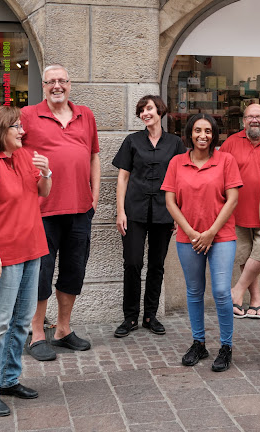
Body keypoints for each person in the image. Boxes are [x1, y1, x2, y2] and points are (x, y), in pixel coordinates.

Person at [0, 106, 51, 416]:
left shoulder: (24, 156)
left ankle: (8, 379)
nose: (21, 131)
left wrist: (46, 172)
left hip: (32, 250)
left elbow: (43, 192)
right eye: (15, 126)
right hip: (2, 256)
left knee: (20, 322)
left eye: (20, 126)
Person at [21, 64, 100, 361]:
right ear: (43, 85)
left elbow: (93, 156)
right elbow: (15, 152)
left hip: (80, 208)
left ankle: (63, 330)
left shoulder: (86, 115)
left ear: (70, 84)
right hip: (42, 210)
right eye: (51, 81)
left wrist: (94, 197)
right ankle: (37, 333)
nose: (57, 86)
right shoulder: (28, 115)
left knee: (73, 270)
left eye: (62, 81)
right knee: (41, 272)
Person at [161, 113, 242, 372]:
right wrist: (192, 232)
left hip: (221, 237)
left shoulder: (226, 161)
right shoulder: (176, 162)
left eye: (208, 131)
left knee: (220, 291)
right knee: (194, 292)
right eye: (197, 130)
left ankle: (226, 347)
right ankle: (199, 343)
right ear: (189, 133)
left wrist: (210, 233)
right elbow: (170, 202)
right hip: (188, 238)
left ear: (214, 134)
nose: (203, 135)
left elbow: (232, 199)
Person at [111, 95, 185, 338]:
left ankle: (150, 316)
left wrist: (178, 213)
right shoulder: (132, 141)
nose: (145, 113)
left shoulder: (174, 143)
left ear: (160, 111)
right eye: (142, 110)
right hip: (134, 211)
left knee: (156, 265)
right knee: (132, 263)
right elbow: (122, 178)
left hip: (164, 212)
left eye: (149, 108)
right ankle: (130, 317)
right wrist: (120, 211)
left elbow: (180, 180)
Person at [220, 103, 260, 319]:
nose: (255, 120)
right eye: (250, 117)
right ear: (243, 121)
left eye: (259, 117)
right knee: (246, 257)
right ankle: (256, 301)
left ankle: (237, 292)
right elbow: (220, 175)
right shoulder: (230, 143)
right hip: (238, 212)